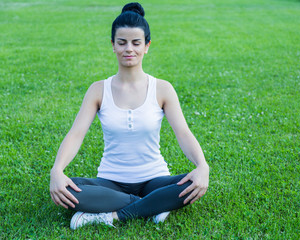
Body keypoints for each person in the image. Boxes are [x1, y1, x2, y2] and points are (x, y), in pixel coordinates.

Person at [49, 2, 209, 230]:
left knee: (194, 182)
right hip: (111, 182)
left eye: (136, 43)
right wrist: (57, 170)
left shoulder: (162, 89)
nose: (129, 49)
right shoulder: (98, 90)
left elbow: (183, 133)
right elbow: (76, 134)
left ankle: (111, 215)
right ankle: (155, 207)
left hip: (155, 179)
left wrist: (202, 165)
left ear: (147, 46)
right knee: (68, 187)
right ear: (113, 45)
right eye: (122, 42)